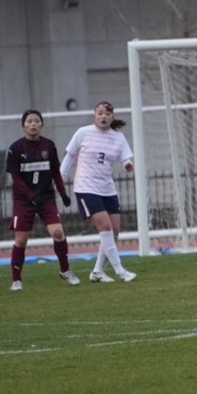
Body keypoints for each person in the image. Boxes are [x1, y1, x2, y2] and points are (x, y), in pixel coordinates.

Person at [60, 101, 138, 283]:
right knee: (105, 226)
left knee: (115, 230)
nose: (104, 117)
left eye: (108, 114)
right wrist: (60, 178)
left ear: (113, 116)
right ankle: (120, 271)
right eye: (100, 113)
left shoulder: (118, 137)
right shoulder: (83, 133)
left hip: (107, 188)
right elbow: (70, 156)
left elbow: (126, 158)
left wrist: (128, 165)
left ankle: (97, 271)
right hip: (86, 187)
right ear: (95, 114)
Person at [5, 109, 79, 291]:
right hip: (24, 200)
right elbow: (15, 177)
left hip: (46, 198)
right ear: (23, 125)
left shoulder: (49, 146)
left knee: (58, 233)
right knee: (21, 240)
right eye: (29, 121)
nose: (33, 124)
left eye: (36, 121)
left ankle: (65, 271)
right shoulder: (15, 149)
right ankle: (16, 280)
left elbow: (55, 172)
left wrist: (63, 194)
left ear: (41, 124)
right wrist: (31, 196)